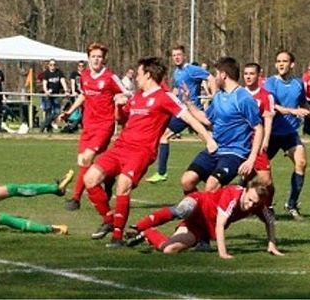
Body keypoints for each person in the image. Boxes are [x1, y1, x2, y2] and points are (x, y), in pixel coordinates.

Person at [84, 56, 216, 247]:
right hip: (120, 147)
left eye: (138, 74)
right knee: (90, 179)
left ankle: (117, 237)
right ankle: (109, 219)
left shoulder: (165, 96)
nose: (136, 78)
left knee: (123, 184)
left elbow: (189, 118)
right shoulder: (137, 96)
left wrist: (209, 139)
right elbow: (122, 119)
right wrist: (119, 106)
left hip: (141, 152)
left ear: (148, 75)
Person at [123, 181, 282, 258]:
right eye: (249, 199)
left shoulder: (258, 205)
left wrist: (272, 244)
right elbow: (221, 224)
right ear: (245, 191)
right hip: (198, 203)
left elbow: (270, 221)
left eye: (255, 203)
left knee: (169, 250)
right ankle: (141, 225)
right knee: (183, 209)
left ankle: (147, 233)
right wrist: (223, 253)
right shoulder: (233, 195)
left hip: (201, 227)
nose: (250, 205)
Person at [263, 50, 310, 221]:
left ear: (292, 64)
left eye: (284, 61)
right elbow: (273, 106)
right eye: (278, 61)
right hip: (270, 133)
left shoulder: (297, 83)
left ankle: (291, 205)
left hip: (289, 134)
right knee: (255, 171)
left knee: (301, 163)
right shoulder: (270, 83)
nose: (281, 64)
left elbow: (305, 105)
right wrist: (293, 111)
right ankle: (242, 198)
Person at [57, 42, 127, 211]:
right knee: (84, 161)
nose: (96, 60)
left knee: (87, 158)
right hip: (88, 125)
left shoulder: (110, 77)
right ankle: (108, 180)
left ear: (104, 60)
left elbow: (126, 92)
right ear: (88, 58)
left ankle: (75, 198)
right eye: (93, 57)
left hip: (104, 125)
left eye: (99, 57)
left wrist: (120, 100)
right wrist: (69, 111)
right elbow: (83, 95)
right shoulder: (85, 76)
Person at [179, 57, 264, 194]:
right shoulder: (218, 97)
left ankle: (214, 209)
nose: (214, 78)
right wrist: (188, 102)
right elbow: (207, 120)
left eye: (216, 74)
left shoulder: (243, 98)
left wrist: (251, 159)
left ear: (224, 75)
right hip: (215, 149)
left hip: (234, 152)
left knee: (212, 185)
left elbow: (258, 128)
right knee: (187, 181)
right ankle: (198, 210)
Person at [144, 45, 213, 184]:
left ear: (184, 56)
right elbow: (176, 89)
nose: (176, 57)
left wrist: (215, 95)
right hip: (182, 112)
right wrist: (169, 99)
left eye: (179, 55)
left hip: (193, 111)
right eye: (174, 55)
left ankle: (221, 165)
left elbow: (210, 77)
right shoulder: (176, 72)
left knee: (210, 140)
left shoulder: (191, 70)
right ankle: (162, 173)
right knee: (164, 136)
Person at [241, 62, 276, 194]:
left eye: (251, 74)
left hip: (257, 140)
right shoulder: (239, 94)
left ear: (259, 75)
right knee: (245, 175)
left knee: (266, 181)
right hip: (240, 141)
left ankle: (268, 206)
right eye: (245, 74)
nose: (248, 77)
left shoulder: (266, 96)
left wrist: (265, 139)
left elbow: (268, 119)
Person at [40, 59, 68, 133]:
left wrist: (66, 90)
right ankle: (47, 128)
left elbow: (63, 81)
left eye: (54, 64)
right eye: (51, 65)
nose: (53, 66)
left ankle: (44, 125)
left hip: (56, 95)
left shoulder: (59, 72)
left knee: (57, 112)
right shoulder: (46, 73)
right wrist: (46, 91)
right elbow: (44, 83)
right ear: (48, 65)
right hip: (48, 95)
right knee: (48, 111)